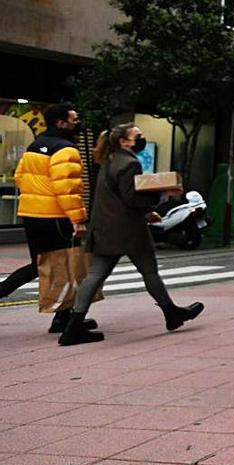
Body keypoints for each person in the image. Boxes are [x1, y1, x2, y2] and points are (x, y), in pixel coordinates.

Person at [58, 123, 204, 345]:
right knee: (149, 271)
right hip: (128, 230)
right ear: (123, 141)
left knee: (96, 274)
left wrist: (148, 212)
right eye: (138, 136)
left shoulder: (108, 161)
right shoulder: (130, 163)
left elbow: (119, 197)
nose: (142, 139)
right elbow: (131, 198)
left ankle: (73, 325)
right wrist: (162, 194)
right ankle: (171, 313)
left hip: (105, 227)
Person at [0, 104, 99, 333]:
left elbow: (20, 177)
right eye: (74, 119)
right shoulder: (66, 150)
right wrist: (78, 219)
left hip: (32, 214)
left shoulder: (35, 145)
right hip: (56, 216)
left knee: (40, 265)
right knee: (67, 266)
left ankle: (61, 319)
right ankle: (63, 319)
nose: (78, 123)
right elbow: (68, 189)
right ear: (61, 123)